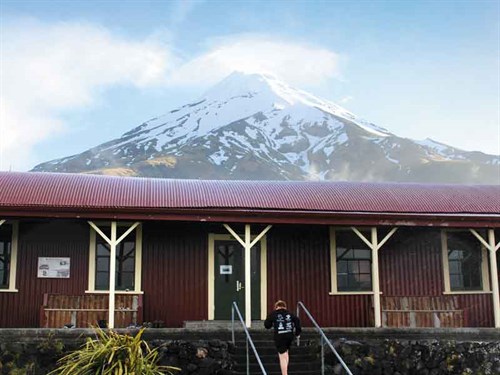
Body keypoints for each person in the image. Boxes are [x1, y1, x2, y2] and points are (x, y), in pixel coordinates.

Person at [264, 300, 301, 375]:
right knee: (286, 353)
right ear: (285, 307)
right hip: (289, 335)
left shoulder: (273, 314)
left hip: (280, 336)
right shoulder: (290, 314)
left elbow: (267, 325)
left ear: (276, 307)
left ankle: (284, 374)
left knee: (282, 356)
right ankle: (285, 372)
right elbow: (297, 320)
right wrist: (297, 333)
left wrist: (272, 323)